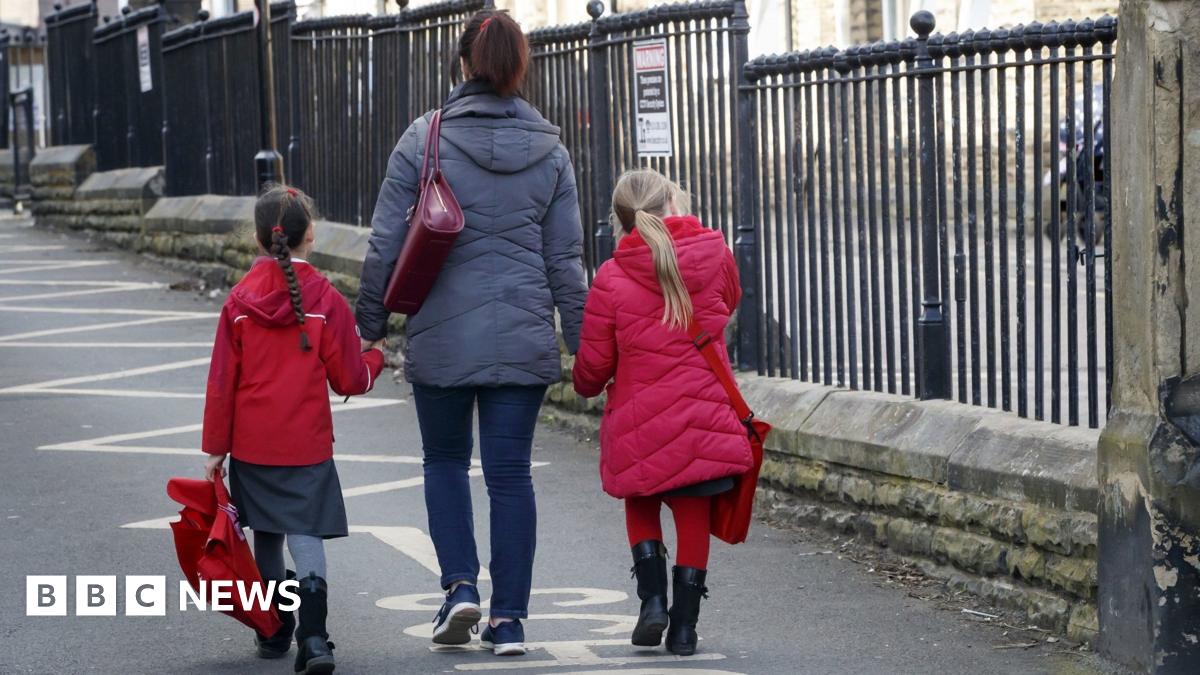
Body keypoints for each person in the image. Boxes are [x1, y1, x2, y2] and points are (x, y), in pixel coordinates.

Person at [356, 9, 587, 657]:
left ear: (463, 66)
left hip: (441, 335)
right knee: (511, 475)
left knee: (445, 462)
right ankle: (509, 621)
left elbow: (385, 243)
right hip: (523, 339)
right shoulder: (553, 150)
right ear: (519, 69)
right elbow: (565, 262)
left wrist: (367, 328)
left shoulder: (423, 138)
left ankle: (460, 585)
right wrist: (586, 346)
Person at [202, 185, 386, 675]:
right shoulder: (325, 299)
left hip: (253, 444)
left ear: (259, 239)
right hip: (305, 442)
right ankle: (314, 636)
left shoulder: (239, 301)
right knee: (306, 534)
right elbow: (350, 378)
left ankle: (275, 626)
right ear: (309, 237)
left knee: (267, 533)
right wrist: (376, 355)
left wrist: (217, 448)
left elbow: (223, 381)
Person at [571, 169, 755, 656]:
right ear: (673, 202)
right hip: (702, 417)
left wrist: (586, 383)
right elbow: (729, 303)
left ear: (621, 218)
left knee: (641, 500)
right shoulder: (716, 256)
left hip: (639, 419)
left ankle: (652, 602)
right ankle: (685, 629)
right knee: (693, 513)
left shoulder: (612, 276)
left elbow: (593, 367)